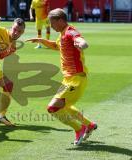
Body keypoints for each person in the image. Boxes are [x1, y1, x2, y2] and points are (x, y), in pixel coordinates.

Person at [26, 8, 97, 145]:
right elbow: (56, 45)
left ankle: (79, 128)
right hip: (68, 79)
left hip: (76, 79)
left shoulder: (70, 31)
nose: (51, 26)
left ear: (60, 20)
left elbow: (81, 41)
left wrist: (82, 44)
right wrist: (41, 40)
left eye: (52, 23)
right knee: (66, 106)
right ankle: (89, 125)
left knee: (52, 108)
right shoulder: (62, 34)